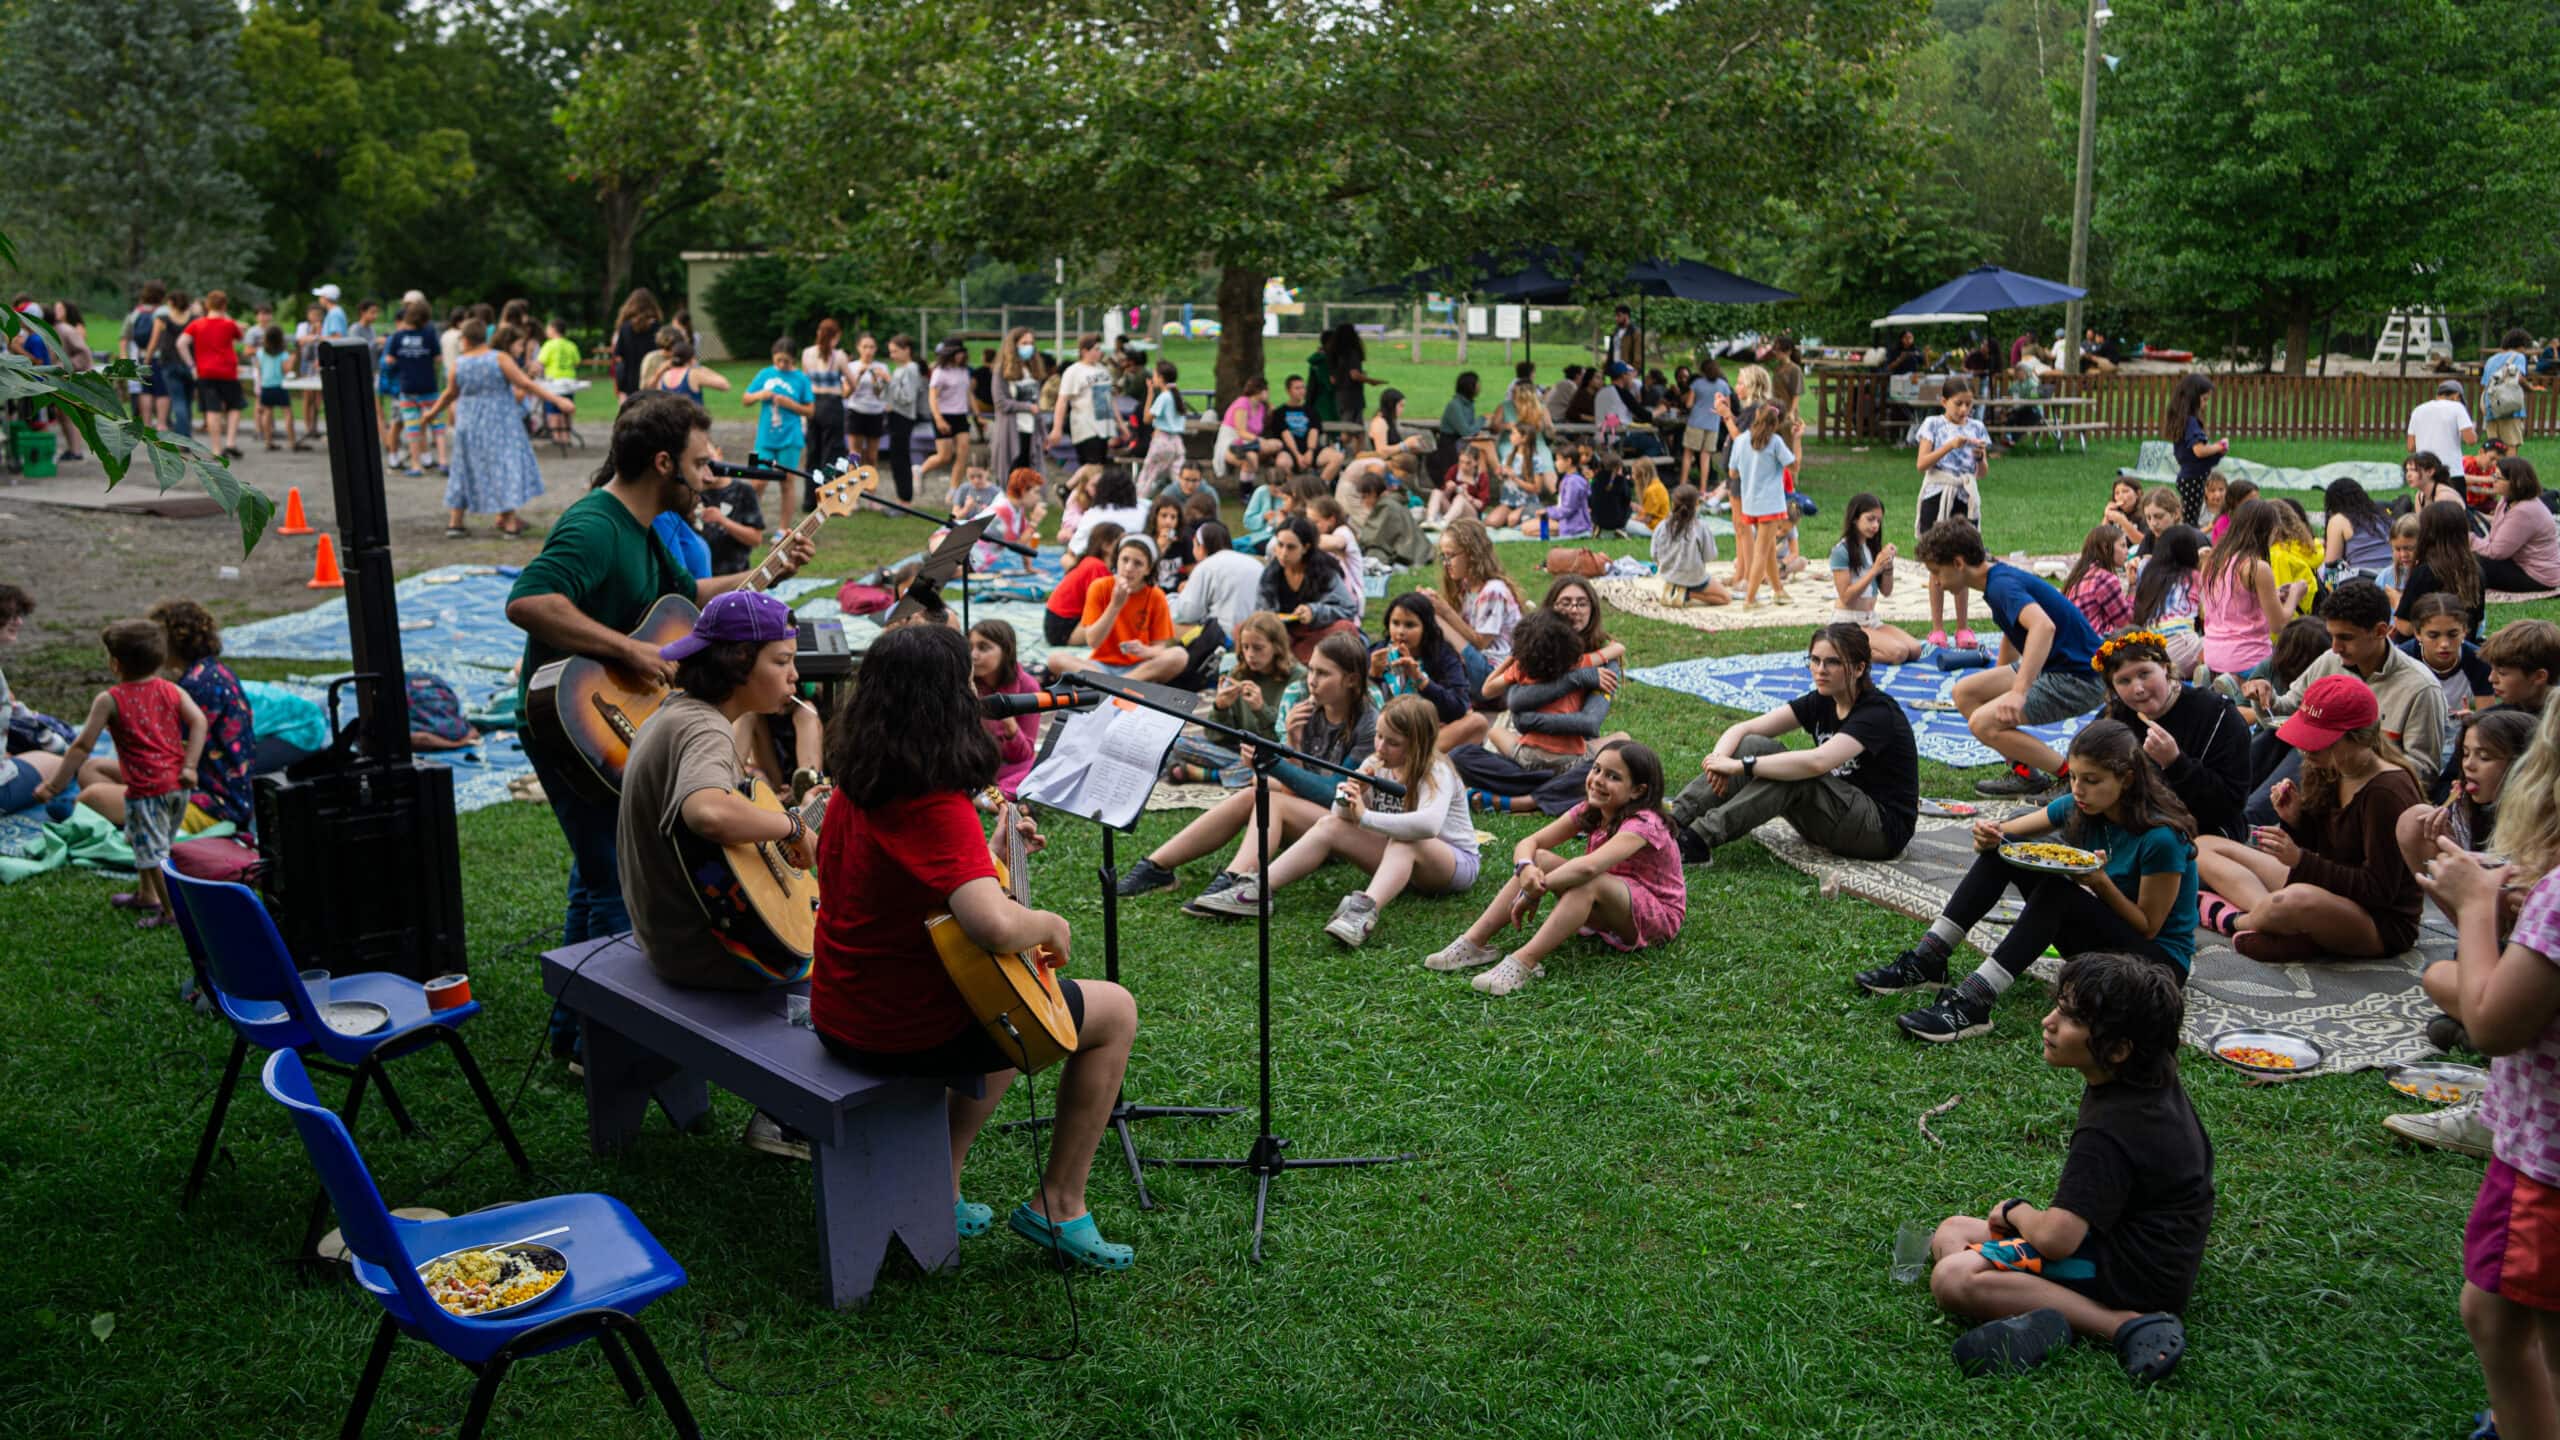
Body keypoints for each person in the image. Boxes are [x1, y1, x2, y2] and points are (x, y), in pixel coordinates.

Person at [808, 624, 1141, 1269]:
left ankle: (946, 1185)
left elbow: (920, 887)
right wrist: (1048, 923)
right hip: (897, 1028)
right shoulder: (935, 804)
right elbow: (991, 926)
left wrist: (987, 853)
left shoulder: (861, 784)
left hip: (842, 1009)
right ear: (942, 702)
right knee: (1111, 1010)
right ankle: (1061, 1203)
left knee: (1015, 1003)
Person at [504, 394, 816, 1007]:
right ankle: (607, 1030)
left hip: (611, 719)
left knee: (596, 871)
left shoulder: (642, 533)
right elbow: (529, 602)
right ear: (665, 462)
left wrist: (770, 573)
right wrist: (626, 648)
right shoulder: (595, 525)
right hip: (572, 722)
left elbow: (685, 598)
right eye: (701, 465)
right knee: (607, 883)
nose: (709, 479)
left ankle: (577, 1028)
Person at [1921, 951, 2207, 1385]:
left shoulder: (2110, 1133)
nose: (2048, 1022)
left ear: (2117, 1049)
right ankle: (2040, 1308)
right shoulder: (2150, 1075)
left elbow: (2057, 1238)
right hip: (2146, 1249)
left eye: (2070, 1018)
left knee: (1952, 1278)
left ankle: (2125, 1325)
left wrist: (2014, 1209)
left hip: (2131, 1276)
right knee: (1952, 1232)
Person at [1861, 720, 2199, 1044]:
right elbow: (2005, 836)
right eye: (2075, 777)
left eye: (2092, 781)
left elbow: (2147, 926)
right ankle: (1929, 958)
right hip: (2109, 942)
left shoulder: (2161, 839)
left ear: (2126, 780)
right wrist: (1988, 837)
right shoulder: (2080, 805)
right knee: (2005, 853)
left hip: (2157, 965)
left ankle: (1974, 1002)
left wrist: (2098, 882)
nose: (2079, 789)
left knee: (2058, 893)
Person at [615, 590, 822, 990]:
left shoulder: (675, 711)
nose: (794, 675)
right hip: (705, 953)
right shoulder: (706, 729)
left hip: (664, 939)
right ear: (738, 662)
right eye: (782, 661)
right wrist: (792, 828)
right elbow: (707, 812)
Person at [1191, 694, 1479, 946]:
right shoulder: (1377, 763)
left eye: (1393, 743)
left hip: (1451, 865)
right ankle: (1259, 890)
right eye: (1379, 736)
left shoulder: (1436, 771)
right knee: (1330, 826)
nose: (1380, 747)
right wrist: (1347, 796)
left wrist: (1365, 817)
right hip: (1399, 859)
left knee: (1407, 841)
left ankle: (1364, 911)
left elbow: (1429, 826)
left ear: (1418, 745)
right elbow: (1339, 815)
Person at [1116, 630, 1378, 906]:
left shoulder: (1367, 722)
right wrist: (1293, 741)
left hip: (1346, 829)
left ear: (1351, 680)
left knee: (1270, 798)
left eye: (1323, 674)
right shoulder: (1310, 709)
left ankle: (1238, 880)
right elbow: (1303, 779)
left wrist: (1273, 763)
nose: (1311, 680)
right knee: (1251, 792)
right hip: (1312, 817)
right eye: (1311, 670)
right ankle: (1158, 867)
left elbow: (1333, 795)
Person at [1423, 739, 1683, 997]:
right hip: (1611, 901)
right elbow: (1531, 842)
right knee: (1541, 858)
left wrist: (1532, 891)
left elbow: (1589, 868)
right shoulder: (1591, 809)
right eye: (1596, 769)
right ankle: (1473, 943)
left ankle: (1525, 961)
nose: (1598, 780)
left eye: (1613, 776)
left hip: (1655, 916)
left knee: (1587, 881)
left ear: (1638, 791)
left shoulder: (1645, 823)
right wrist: (1526, 869)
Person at [2196, 675, 2424, 963]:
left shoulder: (2386, 792)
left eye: (2318, 743)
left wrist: (2301, 861)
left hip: (2377, 922)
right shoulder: (2331, 767)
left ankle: (2238, 920)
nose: (2306, 749)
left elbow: (2379, 891)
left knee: (2294, 900)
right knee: (2203, 846)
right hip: (2327, 891)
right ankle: (2276, 920)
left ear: (2357, 739)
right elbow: (2328, 848)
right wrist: (2297, 820)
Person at [1673, 622, 1919, 866]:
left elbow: (1817, 763)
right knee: (1753, 744)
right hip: (1836, 812)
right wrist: (1719, 762)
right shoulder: (1823, 699)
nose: (1820, 670)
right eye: (1815, 660)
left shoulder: (1877, 712)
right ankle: (1671, 821)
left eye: (1832, 662)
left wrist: (1740, 766)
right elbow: (1744, 729)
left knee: (1798, 774)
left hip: (1880, 830)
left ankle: (1696, 841)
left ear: (1858, 669)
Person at [31, 620, 209, 928]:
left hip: (147, 793)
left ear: (115, 663)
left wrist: (54, 784)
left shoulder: (110, 699)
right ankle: (146, 894)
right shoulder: (173, 690)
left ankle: (171, 913)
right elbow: (199, 722)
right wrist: (190, 765)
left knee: (154, 853)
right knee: (146, 841)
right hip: (178, 788)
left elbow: (82, 745)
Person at [1916, 521, 2109, 798]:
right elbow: (2013, 630)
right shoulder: (1994, 579)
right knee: (1965, 692)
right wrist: (2000, 682)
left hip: (2079, 678)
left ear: (1958, 563)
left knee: (1982, 723)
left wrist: (2018, 692)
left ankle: (2069, 777)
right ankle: (2025, 773)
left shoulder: (2001, 586)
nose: (1935, 580)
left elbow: (2043, 627)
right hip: (2054, 665)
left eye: (1936, 572)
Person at [2239, 578, 2445, 820]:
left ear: (2380, 631)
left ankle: (2249, 821)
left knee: (2310, 752)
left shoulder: (2420, 687)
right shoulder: (2331, 660)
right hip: (2320, 772)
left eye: (2346, 638)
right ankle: (2232, 802)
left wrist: (2356, 760)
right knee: (2273, 739)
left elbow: (2423, 771)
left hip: (2364, 788)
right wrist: (2266, 697)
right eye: (2332, 636)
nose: (2335, 647)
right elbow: (2286, 711)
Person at [1449, 608, 1621, 816]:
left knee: (1479, 743)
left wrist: (1512, 659)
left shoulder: (1520, 668)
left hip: (1527, 758)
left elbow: (1487, 689)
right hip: (1569, 762)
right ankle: (1555, 791)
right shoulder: (1577, 665)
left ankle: (1523, 800)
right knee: (1620, 748)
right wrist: (1611, 647)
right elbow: (1617, 649)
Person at [418, 319, 571, 539]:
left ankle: (456, 522)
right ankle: (509, 522)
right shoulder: (499, 359)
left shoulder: (459, 364)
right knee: (503, 468)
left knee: (464, 468)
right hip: (500, 422)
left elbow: (450, 393)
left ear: (466, 339)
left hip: (469, 423)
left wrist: (431, 414)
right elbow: (525, 384)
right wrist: (558, 401)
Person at [147, 599, 257, 836]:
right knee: (96, 770)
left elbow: (171, 756)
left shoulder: (196, 687)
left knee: (93, 795)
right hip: (231, 795)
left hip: (212, 802)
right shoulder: (214, 671)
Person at [1914, 380, 1992, 646]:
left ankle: (1963, 627)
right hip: (1938, 496)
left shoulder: (1977, 427)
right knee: (1937, 563)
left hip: (1964, 497)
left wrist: (1980, 458)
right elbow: (1922, 463)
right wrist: (1950, 446)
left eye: (1969, 404)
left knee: (1964, 562)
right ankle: (1937, 627)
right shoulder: (1933, 425)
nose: (1964, 409)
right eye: (1958, 403)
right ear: (1943, 401)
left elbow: (1981, 474)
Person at [1050, 536, 1184, 684]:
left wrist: (1144, 651)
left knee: (1179, 655)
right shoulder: (1100, 587)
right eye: (1124, 560)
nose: (1128, 568)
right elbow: (1093, 641)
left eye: (1137, 563)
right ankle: (1119, 685)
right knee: (1055, 659)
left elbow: (1159, 647)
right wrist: (1115, 606)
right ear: (1117, 560)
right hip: (1100, 667)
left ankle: (1115, 685)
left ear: (1148, 569)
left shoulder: (1156, 595)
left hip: (1139, 668)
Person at [2197, 499, 2288, 677]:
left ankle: (2224, 683)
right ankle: (2239, 686)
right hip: (2249, 658)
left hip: (2212, 653)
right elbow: (2279, 625)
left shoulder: (2212, 562)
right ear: (2268, 531)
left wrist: (2274, 595)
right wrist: (2296, 595)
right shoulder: (2257, 567)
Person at [1257, 517, 1363, 661]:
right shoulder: (1271, 573)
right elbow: (1262, 608)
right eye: (1280, 545)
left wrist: (1314, 612)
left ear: (1305, 548)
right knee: (1244, 629)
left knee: (1345, 628)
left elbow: (1348, 608)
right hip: (1283, 634)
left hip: (1317, 632)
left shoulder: (1324, 572)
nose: (1283, 553)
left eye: (1291, 547)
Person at [2398, 499, 2489, 645]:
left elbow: (2406, 627)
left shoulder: (2425, 572)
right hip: (2462, 649)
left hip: (2423, 654)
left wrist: (2396, 600)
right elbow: (2477, 622)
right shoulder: (2475, 570)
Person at [969, 619, 1040, 797]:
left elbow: (1023, 755)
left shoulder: (1028, 687)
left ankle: (984, 796)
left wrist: (1010, 725)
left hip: (1008, 766)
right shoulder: (964, 682)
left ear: (1006, 651)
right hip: (971, 762)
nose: (973, 655)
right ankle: (991, 796)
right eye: (970, 647)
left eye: (983, 648)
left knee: (1038, 768)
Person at [176, 290, 246, 461]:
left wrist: (191, 364)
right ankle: (230, 442)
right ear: (225, 305)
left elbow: (181, 343)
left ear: (207, 305)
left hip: (205, 371)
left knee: (212, 409)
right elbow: (240, 338)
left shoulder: (197, 324)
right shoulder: (229, 324)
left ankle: (216, 448)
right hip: (228, 371)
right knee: (234, 406)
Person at [2474, 458, 2560, 595]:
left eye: (2498, 477)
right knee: (2473, 556)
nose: (2493, 480)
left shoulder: (2524, 511)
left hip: (2539, 578)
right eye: (2493, 475)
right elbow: (2494, 538)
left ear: (2516, 483)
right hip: (2519, 563)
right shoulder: (2506, 500)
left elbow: (2496, 552)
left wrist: (2469, 539)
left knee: (2475, 561)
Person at [2160, 375, 2228, 526]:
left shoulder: (2185, 420)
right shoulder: (2191, 422)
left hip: (2191, 478)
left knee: (2192, 516)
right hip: (2192, 479)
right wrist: (2219, 446)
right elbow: (2199, 451)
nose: (2205, 404)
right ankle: (2190, 543)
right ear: (2192, 399)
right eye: (2204, 399)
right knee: (2190, 521)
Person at [1041, 522, 1123, 647]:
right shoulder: (1096, 566)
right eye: (1121, 542)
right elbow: (1103, 604)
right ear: (1107, 546)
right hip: (1064, 629)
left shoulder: (1091, 562)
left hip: (1057, 624)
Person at [1651, 484, 1730, 610]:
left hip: (1669, 575)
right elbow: (1710, 556)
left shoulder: (1662, 526)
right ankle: (1688, 594)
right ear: (1697, 504)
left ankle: (1676, 589)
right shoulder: (1701, 527)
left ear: (1673, 504)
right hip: (1695, 578)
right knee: (1725, 598)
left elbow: (1654, 554)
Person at [1050, 332, 1121, 469]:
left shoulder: (1102, 370)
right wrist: (1057, 428)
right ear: (1084, 351)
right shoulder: (1074, 372)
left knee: (1098, 467)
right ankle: (1068, 488)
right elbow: (1062, 400)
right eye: (1096, 349)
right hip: (1086, 426)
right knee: (1091, 468)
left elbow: (1109, 399)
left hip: (1103, 426)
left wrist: (1120, 426)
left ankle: (1069, 489)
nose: (1100, 352)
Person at [743, 338, 813, 474]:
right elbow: (745, 399)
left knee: (786, 481)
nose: (781, 364)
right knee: (758, 479)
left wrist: (791, 405)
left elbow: (810, 411)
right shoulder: (765, 374)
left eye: (786, 361)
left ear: (793, 359)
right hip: (765, 437)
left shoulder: (801, 379)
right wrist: (759, 395)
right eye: (778, 360)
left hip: (791, 438)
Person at [920, 339, 974, 495]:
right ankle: (921, 470)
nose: (961, 355)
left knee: (963, 453)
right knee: (944, 456)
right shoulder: (939, 372)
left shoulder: (964, 371)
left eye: (962, 352)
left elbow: (968, 393)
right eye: (958, 353)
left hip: (961, 415)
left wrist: (977, 416)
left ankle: (954, 489)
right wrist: (939, 419)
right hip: (944, 415)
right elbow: (933, 398)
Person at [2061, 525, 2135, 638]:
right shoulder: (2104, 578)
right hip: (2094, 647)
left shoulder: (2082, 574)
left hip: (2076, 642)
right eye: (2123, 546)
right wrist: (2133, 586)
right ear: (2105, 548)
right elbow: (2127, 623)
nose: (2127, 551)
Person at [1353, 469, 1431, 569]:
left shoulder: (1385, 506)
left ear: (1372, 493)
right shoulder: (1390, 502)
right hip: (1417, 549)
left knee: (1374, 554)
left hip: (1409, 552)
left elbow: (1374, 538)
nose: (1363, 501)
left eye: (1364, 497)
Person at [2322, 477, 2396, 581]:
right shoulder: (2383, 517)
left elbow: (2332, 565)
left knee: (2322, 571)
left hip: (2362, 580)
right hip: (2392, 576)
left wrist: (2332, 592)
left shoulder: (2338, 520)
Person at [2481, 328, 2541, 451]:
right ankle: (2509, 471)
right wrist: (2530, 388)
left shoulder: (2491, 360)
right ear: (2521, 345)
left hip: (2491, 407)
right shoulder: (2518, 356)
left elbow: (2485, 384)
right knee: (2510, 445)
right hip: (2509, 407)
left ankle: (2496, 470)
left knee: (2494, 450)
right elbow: (2518, 377)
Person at [2411, 376, 2481, 476]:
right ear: (2457, 396)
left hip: (2424, 471)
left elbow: (2411, 446)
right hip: (2452, 472)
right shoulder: (2457, 407)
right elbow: (2471, 440)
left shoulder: (2418, 410)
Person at [608, 288, 660, 405]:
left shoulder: (624, 328)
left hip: (629, 382)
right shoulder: (657, 327)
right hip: (650, 381)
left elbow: (618, 356)